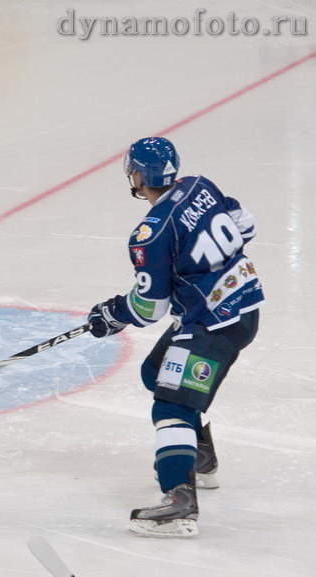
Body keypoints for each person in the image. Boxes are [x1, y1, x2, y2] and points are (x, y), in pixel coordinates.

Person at [86, 136, 264, 538]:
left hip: (211, 324)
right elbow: (244, 224)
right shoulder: (200, 185)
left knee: (171, 401)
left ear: (136, 175)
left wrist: (113, 314)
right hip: (242, 307)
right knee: (156, 371)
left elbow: (150, 307)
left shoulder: (150, 233)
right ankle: (197, 456)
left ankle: (178, 499)